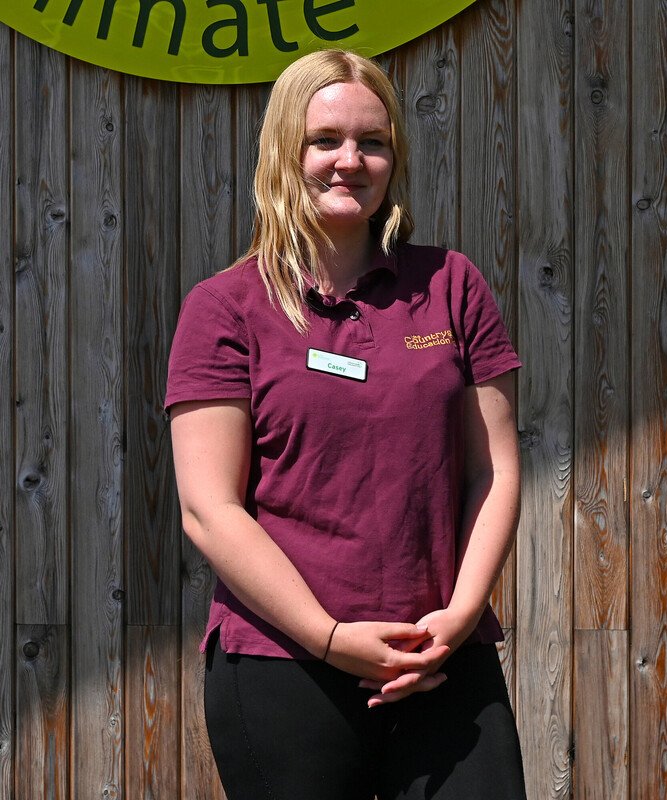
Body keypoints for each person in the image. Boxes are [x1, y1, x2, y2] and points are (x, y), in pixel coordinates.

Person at [166, 48, 526, 800]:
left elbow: (493, 469)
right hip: (285, 667)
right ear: (284, 152)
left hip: (441, 660)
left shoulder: (449, 285)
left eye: (373, 141)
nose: (349, 161)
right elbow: (209, 509)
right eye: (325, 140)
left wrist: (456, 623)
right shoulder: (226, 306)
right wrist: (330, 637)